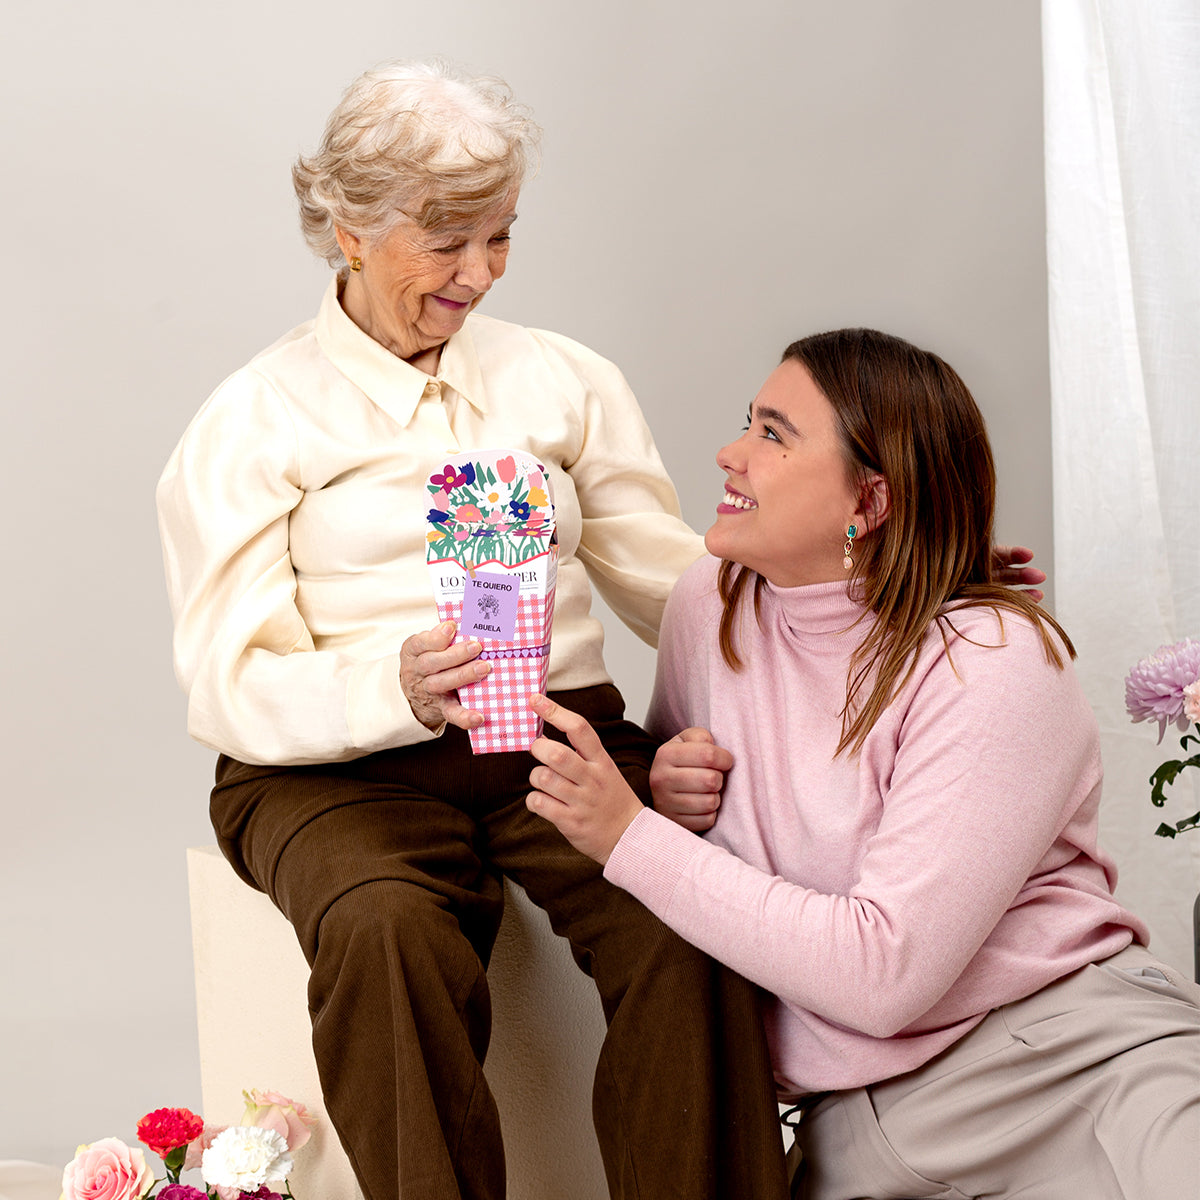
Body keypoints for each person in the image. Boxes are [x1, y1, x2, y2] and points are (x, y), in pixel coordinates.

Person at [156, 60, 792, 1200]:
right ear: (348, 230)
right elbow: (225, 674)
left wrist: (890, 580)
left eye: (500, 237)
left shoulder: (564, 380)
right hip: (336, 778)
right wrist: (384, 686)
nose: (479, 273)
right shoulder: (253, 418)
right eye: (447, 240)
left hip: (552, 740)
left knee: (688, 918)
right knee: (384, 932)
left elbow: (676, 581)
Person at [525, 328, 1200, 1200]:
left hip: (1069, 1072)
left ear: (869, 502)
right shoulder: (712, 605)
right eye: (749, 423)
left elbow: (882, 975)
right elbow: (716, 851)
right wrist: (661, 797)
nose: (731, 453)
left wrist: (629, 837)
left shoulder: (991, 660)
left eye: (774, 434)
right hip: (859, 1136)